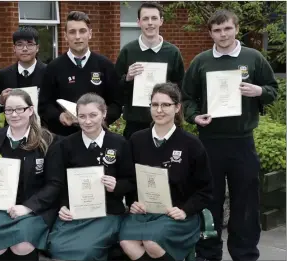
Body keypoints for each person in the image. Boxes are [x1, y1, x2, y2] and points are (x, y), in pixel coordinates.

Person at [182, 10, 278, 261]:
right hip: (210, 143)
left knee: (245, 202)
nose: (222, 35)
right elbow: (187, 97)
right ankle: (208, 253)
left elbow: (272, 90)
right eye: (217, 30)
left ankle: (245, 253)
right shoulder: (201, 61)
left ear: (236, 28)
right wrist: (194, 117)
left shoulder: (253, 58)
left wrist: (258, 90)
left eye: (227, 29)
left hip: (242, 142)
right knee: (209, 200)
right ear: (210, 33)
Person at [119, 82, 212, 261]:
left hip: (177, 214)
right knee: (126, 242)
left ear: (177, 107)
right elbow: (130, 179)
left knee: (152, 242)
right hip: (145, 212)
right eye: (155, 105)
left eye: (166, 105)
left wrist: (185, 210)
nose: (159, 110)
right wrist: (133, 202)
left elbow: (206, 189)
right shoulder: (137, 140)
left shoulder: (191, 144)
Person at [45, 93, 131, 261]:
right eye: (82, 116)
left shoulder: (119, 143)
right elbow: (57, 182)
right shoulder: (64, 145)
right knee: (56, 247)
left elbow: (131, 182)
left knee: (86, 251)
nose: (87, 121)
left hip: (107, 212)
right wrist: (62, 205)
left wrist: (117, 186)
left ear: (104, 114)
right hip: (74, 212)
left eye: (93, 115)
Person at [0, 89, 60, 260]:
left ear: (30, 110)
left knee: (22, 245)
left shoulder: (48, 140)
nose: (14, 114)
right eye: (9, 110)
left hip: (34, 207)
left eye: (19, 109)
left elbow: (55, 184)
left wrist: (28, 207)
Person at [38, 11, 123, 137]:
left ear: (90, 34)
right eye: (72, 32)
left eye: (82, 31)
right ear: (65, 36)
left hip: (98, 137)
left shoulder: (105, 65)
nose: (77, 37)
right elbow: (44, 105)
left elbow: (116, 103)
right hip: (63, 138)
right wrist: (59, 116)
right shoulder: (53, 67)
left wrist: (101, 120)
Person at [115, 2, 185, 139]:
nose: (150, 23)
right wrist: (127, 78)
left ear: (161, 21)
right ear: (138, 22)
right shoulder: (128, 51)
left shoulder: (173, 52)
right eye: (145, 19)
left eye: (154, 18)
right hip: (135, 123)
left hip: (166, 122)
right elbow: (115, 87)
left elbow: (181, 88)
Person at [0, 27, 47, 113]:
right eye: (20, 45)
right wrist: (1, 101)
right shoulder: (4, 75)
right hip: (13, 124)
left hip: (42, 125)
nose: (24, 49)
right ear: (14, 48)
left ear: (37, 48)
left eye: (30, 44)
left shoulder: (49, 72)